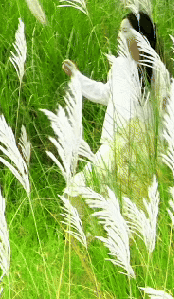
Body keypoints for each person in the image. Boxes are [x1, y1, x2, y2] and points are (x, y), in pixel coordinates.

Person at [62, 11, 161, 190]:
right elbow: (106, 94)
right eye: (119, 30)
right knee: (80, 187)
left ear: (140, 35)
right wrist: (77, 77)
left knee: (129, 197)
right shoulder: (119, 65)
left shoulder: (156, 70)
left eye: (125, 31)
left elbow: (163, 109)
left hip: (139, 144)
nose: (119, 35)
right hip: (113, 141)